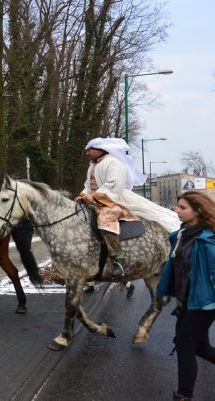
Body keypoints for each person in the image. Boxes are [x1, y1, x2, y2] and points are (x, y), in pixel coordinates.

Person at [77, 137, 180, 278]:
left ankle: (118, 259)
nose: (87, 153)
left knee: (105, 219)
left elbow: (114, 184)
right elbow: (89, 185)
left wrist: (94, 196)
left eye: (89, 150)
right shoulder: (93, 165)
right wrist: (83, 195)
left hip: (115, 199)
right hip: (96, 199)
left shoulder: (114, 163)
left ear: (99, 149)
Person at [157, 191, 215, 401]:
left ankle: (184, 395)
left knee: (184, 344)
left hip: (204, 303)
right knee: (201, 347)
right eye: (177, 206)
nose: (177, 210)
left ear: (198, 210)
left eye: (183, 208)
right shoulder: (183, 234)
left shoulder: (208, 239)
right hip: (187, 300)